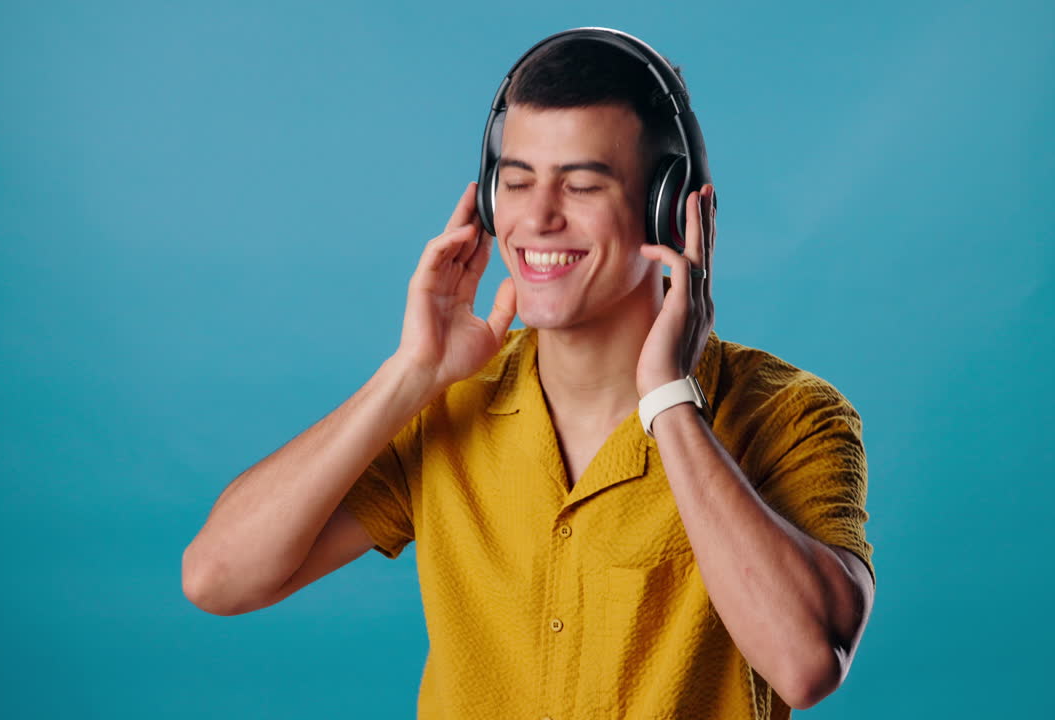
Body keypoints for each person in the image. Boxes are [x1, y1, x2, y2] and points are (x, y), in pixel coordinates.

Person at [182, 28, 875, 720]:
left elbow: (807, 664)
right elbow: (217, 579)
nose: (538, 218)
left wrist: (669, 400)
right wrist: (410, 373)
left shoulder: (796, 415)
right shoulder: (444, 404)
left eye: (580, 185)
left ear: (669, 208)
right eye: (515, 182)